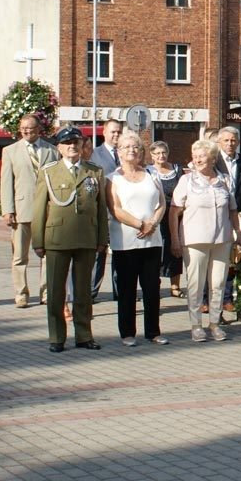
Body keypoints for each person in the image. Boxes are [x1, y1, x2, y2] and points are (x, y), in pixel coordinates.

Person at [32, 127, 108, 352]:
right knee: (56, 291)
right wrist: (38, 240)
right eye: (67, 143)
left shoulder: (94, 172)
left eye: (76, 142)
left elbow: (101, 208)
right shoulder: (48, 172)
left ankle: (84, 335)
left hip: (86, 237)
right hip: (57, 238)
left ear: (83, 146)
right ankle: (57, 337)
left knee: (83, 292)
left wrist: (102, 238)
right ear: (59, 147)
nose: (72, 147)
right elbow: (38, 209)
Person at [170, 140, 241, 342]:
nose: (198, 159)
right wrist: (175, 239)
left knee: (218, 283)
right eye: (195, 156)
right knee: (196, 283)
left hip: (221, 239)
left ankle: (215, 323)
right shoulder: (187, 180)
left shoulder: (224, 180)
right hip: (194, 240)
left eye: (202, 155)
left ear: (213, 158)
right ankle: (196, 325)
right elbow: (174, 211)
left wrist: (238, 233)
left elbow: (233, 210)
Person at [108, 131, 168, 345]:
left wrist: (152, 223)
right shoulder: (113, 178)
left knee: (152, 288)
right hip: (125, 242)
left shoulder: (152, 174)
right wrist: (139, 224)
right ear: (119, 152)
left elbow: (161, 203)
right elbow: (115, 208)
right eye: (127, 147)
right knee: (127, 289)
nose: (132, 150)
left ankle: (153, 331)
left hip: (152, 240)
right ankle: (127, 333)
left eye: (136, 147)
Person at [0, 115, 58, 308]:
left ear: (39, 129)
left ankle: (47, 292)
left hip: (47, 211)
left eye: (30, 128)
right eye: (23, 128)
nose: (26, 131)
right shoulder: (10, 151)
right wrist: (8, 210)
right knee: (19, 256)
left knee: (48, 255)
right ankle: (21, 293)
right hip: (21, 210)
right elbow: (6, 183)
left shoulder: (51, 150)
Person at [216, 126, 241, 318]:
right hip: (220, 219)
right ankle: (218, 309)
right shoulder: (214, 162)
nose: (230, 144)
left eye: (233, 141)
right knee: (221, 266)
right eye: (227, 140)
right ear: (219, 142)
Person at [89, 118, 123, 303]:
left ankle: (120, 291)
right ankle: (91, 292)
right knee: (98, 254)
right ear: (104, 132)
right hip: (102, 213)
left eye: (119, 132)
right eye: (113, 132)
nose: (116, 135)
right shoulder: (95, 155)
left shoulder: (127, 153)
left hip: (122, 214)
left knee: (120, 254)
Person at [147, 141, 184, 298]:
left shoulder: (177, 170)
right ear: (152, 155)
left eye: (164, 152)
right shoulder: (148, 171)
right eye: (157, 153)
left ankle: (175, 285)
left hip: (176, 215)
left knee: (175, 249)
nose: (161, 156)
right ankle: (155, 284)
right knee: (156, 251)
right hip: (156, 216)